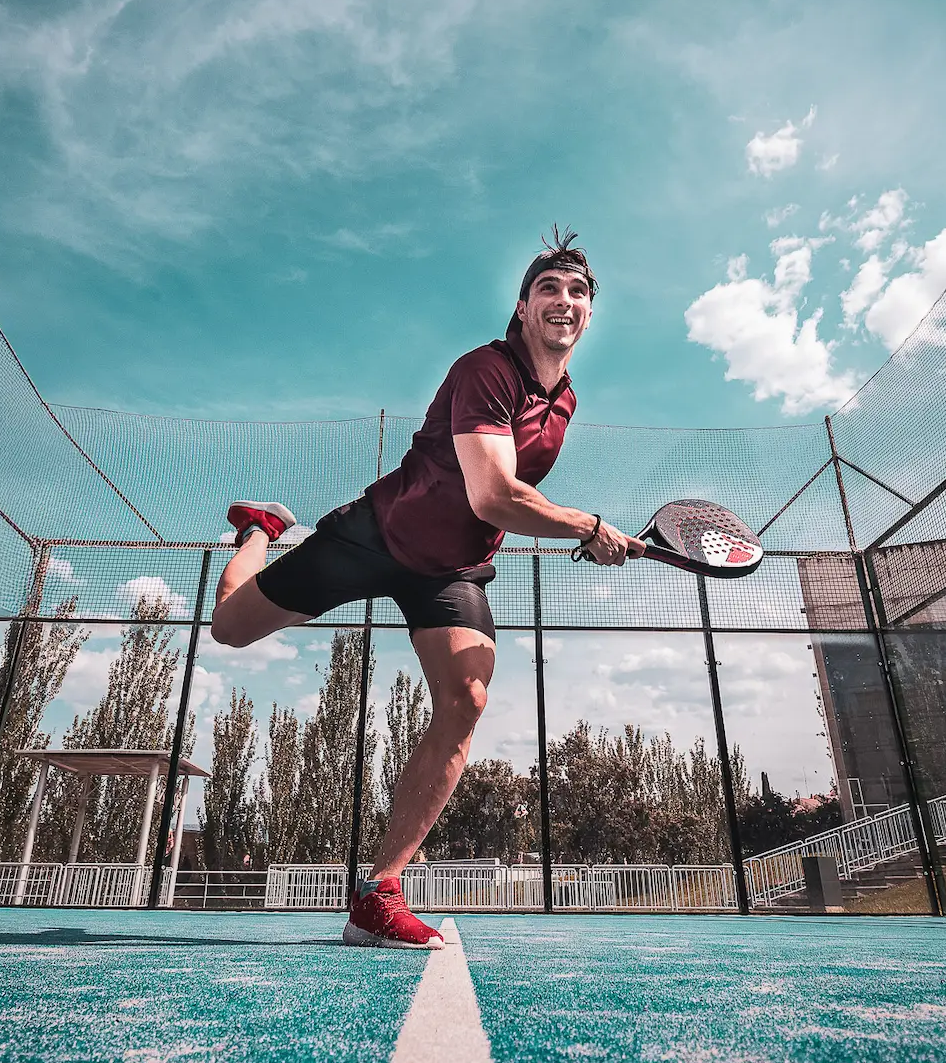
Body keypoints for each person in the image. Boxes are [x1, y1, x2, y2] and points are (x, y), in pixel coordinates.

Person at [209, 228, 643, 949]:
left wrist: (583, 535)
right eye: (549, 289)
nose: (563, 301)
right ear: (523, 306)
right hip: (376, 536)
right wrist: (587, 525)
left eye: (577, 292)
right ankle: (257, 529)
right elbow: (495, 496)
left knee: (466, 697)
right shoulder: (485, 369)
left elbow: (509, 503)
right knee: (229, 628)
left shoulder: (565, 403)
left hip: (451, 571)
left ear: (590, 313)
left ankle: (377, 893)